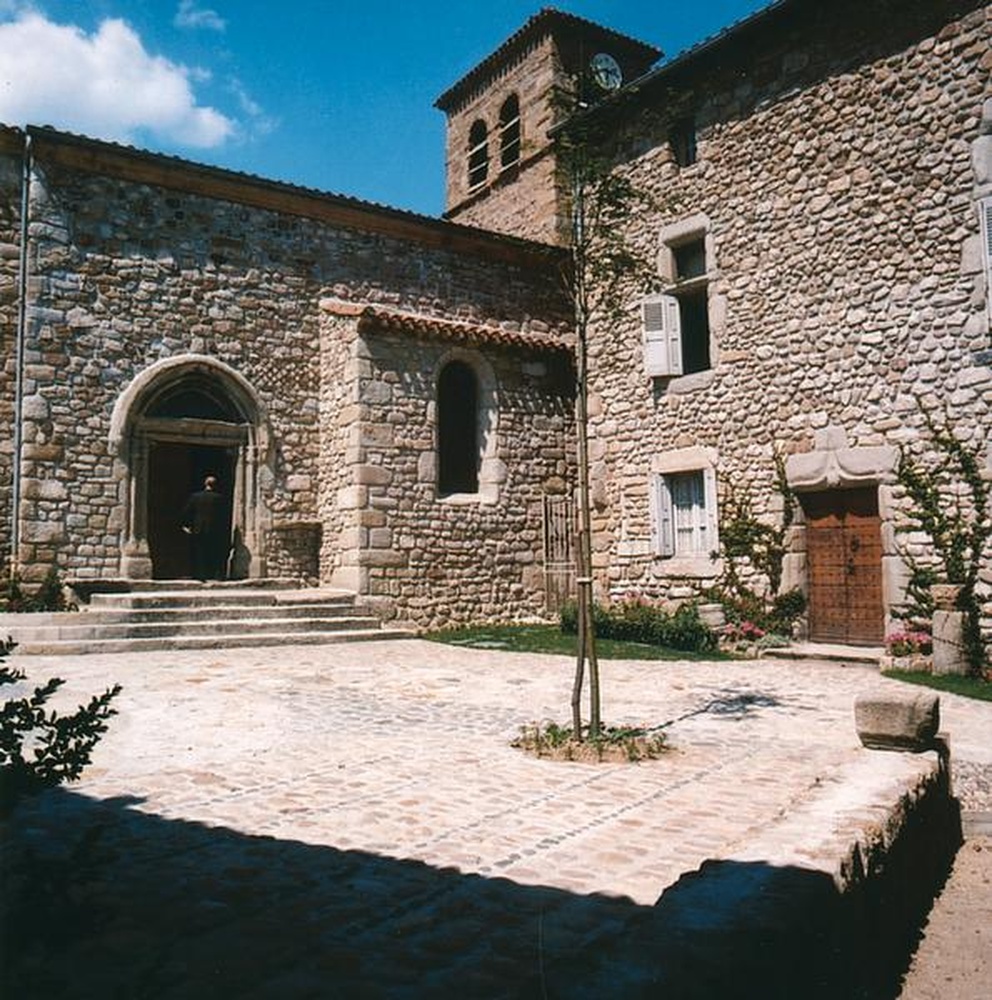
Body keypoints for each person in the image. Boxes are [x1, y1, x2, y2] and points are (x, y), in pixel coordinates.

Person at [180, 475, 228, 581]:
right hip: (214, 530)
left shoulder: (195, 497)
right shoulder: (219, 498)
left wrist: (186, 526)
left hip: (198, 529)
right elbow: (224, 516)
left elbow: (186, 512)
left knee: (199, 552)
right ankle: (214, 574)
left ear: (205, 484)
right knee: (213, 551)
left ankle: (199, 575)